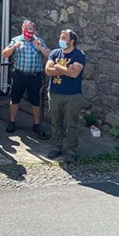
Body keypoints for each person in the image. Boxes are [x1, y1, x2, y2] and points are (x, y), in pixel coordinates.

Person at [1, 19, 50, 138]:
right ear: (22, 29)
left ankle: (37, 124)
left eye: (31, 29)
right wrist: (13, 48)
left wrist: (41, 48)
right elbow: (4, 54)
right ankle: (12, 121)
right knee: (15, 99)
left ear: (34, 29)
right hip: (19, 75)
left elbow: (49, 54)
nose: (29, 31)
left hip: (34, 76)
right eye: (27, 28)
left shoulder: (38, 41)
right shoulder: (16, 40)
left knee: (36, 101)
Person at [45, 29, 87, 160]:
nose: (61, 40)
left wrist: (57, 67)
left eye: (64, 38)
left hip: (72, 95)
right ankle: (56, 147)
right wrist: (66, 70)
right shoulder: (55, 53)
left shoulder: (79, 55)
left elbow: (75, 74)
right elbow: (47, 70)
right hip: (55, 93)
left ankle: (71, 150)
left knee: (71, 124)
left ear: (72, 41)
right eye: (60, 37)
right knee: (56, 122)